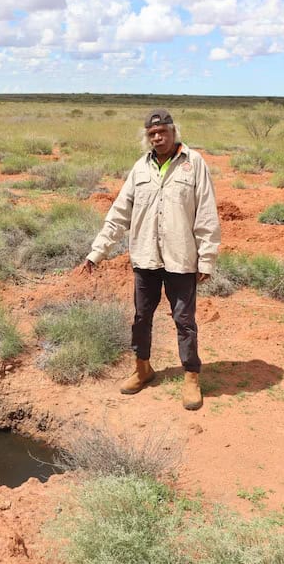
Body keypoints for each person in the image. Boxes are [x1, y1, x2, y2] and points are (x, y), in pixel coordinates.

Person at [79, 108, 221, 411]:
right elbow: (119, 214)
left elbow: (207, 214)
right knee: (141, 317)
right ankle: (142, 368)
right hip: (145, 257)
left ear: (173, 132)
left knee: (184, 320)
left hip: (181, 259)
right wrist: (97, 251)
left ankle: (191, 376)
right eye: (152, 134)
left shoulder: (193, 164)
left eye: (163, 132)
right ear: (147, 137)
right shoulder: (140, 169)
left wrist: (206, 259)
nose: (158, 138)